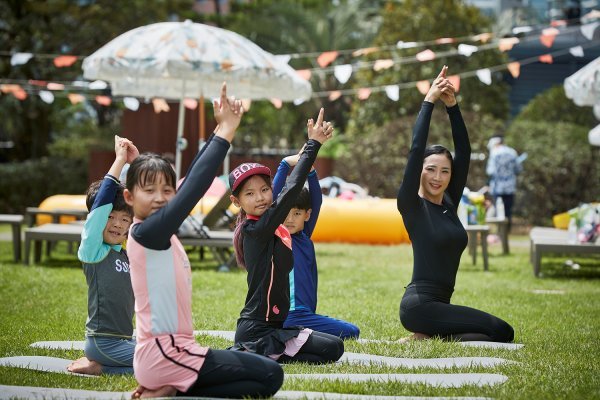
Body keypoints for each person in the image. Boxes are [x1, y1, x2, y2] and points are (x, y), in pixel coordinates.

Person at [124, 83, 283, 399]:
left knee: (265, 379)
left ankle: (171, 390)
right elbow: (193, 188)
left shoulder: (159, 232)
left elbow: (190, 177)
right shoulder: (146, 234)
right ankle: (167, 385)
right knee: (270, 374)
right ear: (129, 197)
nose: (160, 198)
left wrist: (218, 130)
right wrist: (226, 132)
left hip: (178, 351)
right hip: (165, 353)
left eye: (166, 191)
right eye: (149, 191)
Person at [397, 66, 514, 343]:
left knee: (497, 333)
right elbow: (416, 149)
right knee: (502, 331)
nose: (437, 177)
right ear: (420, 171)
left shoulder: (449, 202)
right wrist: (429, 101)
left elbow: (464, 151)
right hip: (419, 305)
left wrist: (453, 106)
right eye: (430, 169)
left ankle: (427, 337)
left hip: (440, 306)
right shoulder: (411, 205)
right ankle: (428, 333)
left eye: (445, 171)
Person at [229, 108, 345, 363]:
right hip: (256, 328)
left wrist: (296, 160)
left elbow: (287, 194)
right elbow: (290, 191)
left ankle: (270, 353)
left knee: (334, 348)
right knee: (327, 349)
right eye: (249, 194)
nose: (260, 198)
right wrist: (313, 145)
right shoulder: (255, 230)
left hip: (279, 325)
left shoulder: (276, 225)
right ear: (236, 201)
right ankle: (254, 350)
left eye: (264, 190)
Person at [67, 135, 138, 376]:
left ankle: (101, 366)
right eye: (110, 217)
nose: (118, 224)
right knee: (164, 365)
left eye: (125, 219)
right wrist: (119, 160)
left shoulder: (126, 253)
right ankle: (101, 367)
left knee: (168, 355)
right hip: (103, 343)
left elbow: (147, 211)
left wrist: (137, 164)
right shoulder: (93, 252)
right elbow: (100, 206)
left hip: (125, 340)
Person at [272, 152, 360, 340]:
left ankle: (301, 330)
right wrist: (285, 164)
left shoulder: (304, 236)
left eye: (297, 213)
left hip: (304, 315)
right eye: (285, 212)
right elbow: (273, 199)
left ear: (307, 215)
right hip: (291, 314)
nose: (289, 219)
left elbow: (317, 201)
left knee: (349, 331)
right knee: (352, 332)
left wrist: (311, 172)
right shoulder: (277, 236)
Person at [486, 135, 524, 231]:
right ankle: (506, 231)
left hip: (497, 187)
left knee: (498, 210)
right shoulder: (512, 152)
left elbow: (490, 171)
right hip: (510, 187)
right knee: (508, 211)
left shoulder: (494, 153)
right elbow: (518, 169)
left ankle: (499, 231)